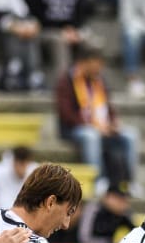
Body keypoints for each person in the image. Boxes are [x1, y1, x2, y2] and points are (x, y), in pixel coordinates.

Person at [55, 45, 140, 186]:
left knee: (131, 135)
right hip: (75, 128)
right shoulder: (66, 81)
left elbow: (108, 107)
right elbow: (66, 114)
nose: (99, 69)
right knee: (91, 135)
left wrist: (113, 123)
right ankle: (98, 180)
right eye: (96, 64)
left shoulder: (99, 80)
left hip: (103, 127)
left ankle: (129, 182)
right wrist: (94, 126)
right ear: (84, 62)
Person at [26, 0, 91, 82]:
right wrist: (62, 30)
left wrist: (74, 29)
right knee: (60, 41)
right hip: (46, 31)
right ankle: (64, 84)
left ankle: (93, 83)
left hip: (71, 30)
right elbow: (36, 17)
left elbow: (82, 13)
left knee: (92, 43)